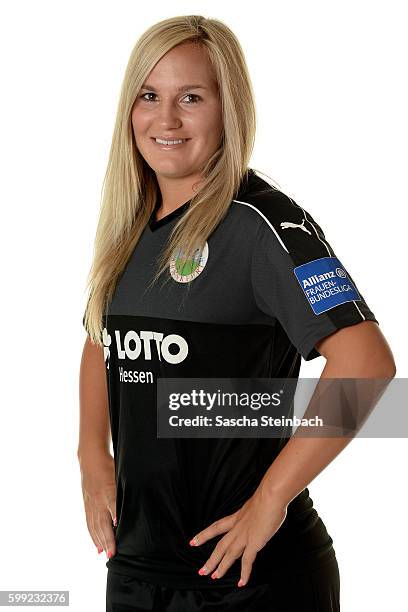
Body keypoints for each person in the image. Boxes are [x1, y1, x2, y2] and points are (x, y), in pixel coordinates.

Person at [78, 14, 396, 612]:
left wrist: (270, 499)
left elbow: (368, 367)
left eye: (190, 97)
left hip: (252, 580)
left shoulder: (264, 225)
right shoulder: (126, 229)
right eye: (149, 96)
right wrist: (91, 455)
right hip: (138, 574)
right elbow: (102, 341)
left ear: (231, 110)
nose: (165, 119)